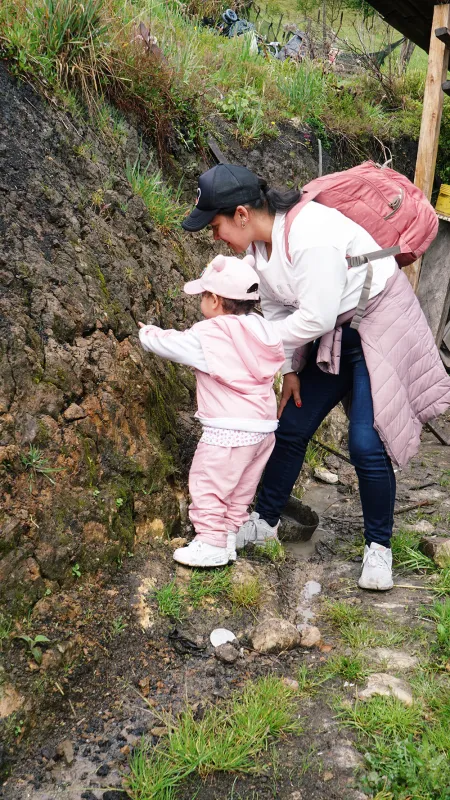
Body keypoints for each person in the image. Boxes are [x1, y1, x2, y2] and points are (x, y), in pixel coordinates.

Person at [182, 163, 450, 590]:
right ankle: (264, 522)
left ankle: (378, 548)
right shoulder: (258, 252)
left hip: (377, 323)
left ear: (241, 215)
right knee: (290, 424)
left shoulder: (310, 237)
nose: (214, 237)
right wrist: (288, 369)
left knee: (366, 441)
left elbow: (314, 315)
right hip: (333, 333)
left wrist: (251, 340)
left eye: (215, 226)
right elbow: (274, 310)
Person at [138, 253, 285, 568]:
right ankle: (228, 537)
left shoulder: (213, 335)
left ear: (215, 301)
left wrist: (147, 334)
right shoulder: (263, 329)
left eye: (203, 296)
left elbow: (175, 345)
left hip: (228, 431)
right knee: (241, 490)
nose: (201, 302)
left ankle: (210, 543)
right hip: (263, 430)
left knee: (208, 483)